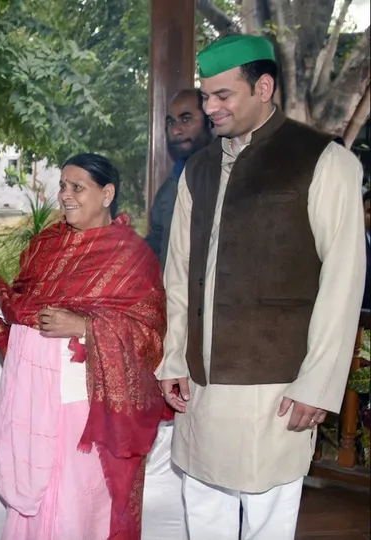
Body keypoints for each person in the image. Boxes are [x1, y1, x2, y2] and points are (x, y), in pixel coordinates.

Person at [156, 35, 365, 540]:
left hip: (278, 382)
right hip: (203, 381)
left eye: (223, 96)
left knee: (269, 513)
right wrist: (175, 357)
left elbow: (344, 278)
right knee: (203, 510)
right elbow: (179, 273)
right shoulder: (197, 170)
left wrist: (319, 382)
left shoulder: (322, 160)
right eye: (206, 96)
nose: (210, 108)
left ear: (264, 87)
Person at [0, 153, 168, 539]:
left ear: (107, 193)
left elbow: (149, 335)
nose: (65, 196)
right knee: (38, 500)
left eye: (77, 187)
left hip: (85, 404)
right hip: (34, 398)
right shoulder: (46, 245)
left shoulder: (131, 256)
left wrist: (84, 326)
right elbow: (19, 309)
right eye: (63, 186)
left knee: (74, 505)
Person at [145, 88, 213, 267]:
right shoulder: (168, 190)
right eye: (170, 122)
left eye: (186, 119)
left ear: (210, 121)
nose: (175, 130)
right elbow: (155, 248)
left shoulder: (230, 177)